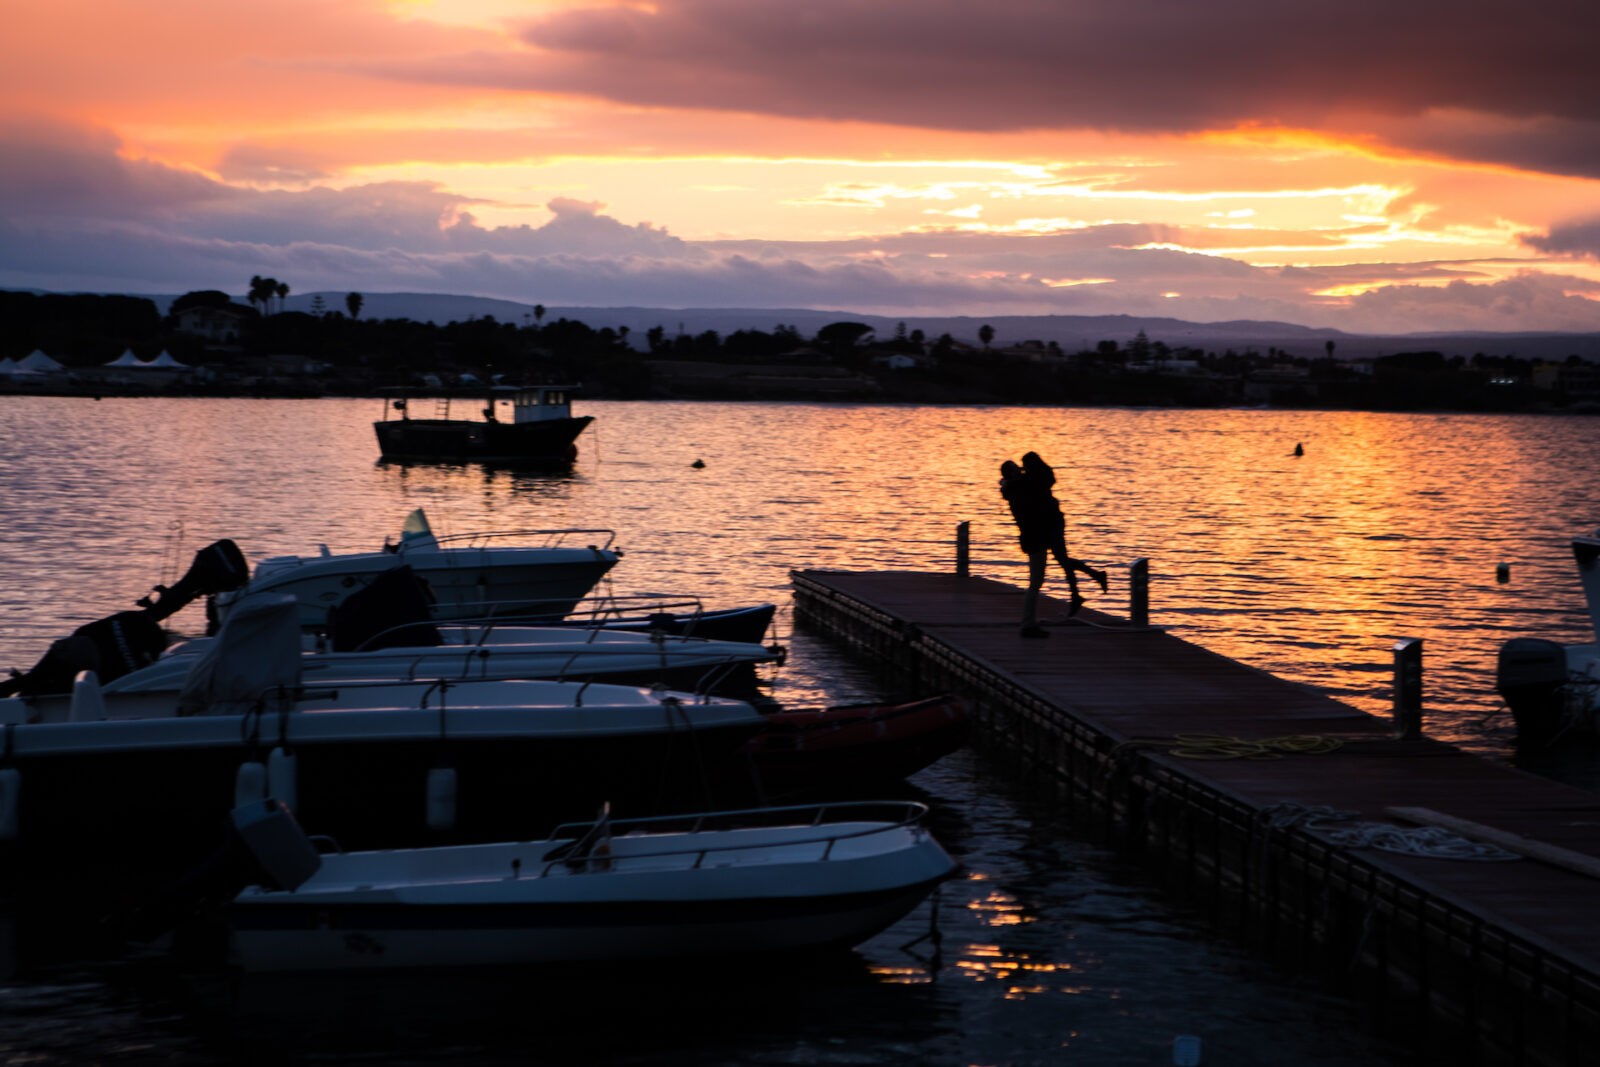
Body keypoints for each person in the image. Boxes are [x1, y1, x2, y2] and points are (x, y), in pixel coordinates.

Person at [1000, 451, 1107, 638]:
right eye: (1014, 467)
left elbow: (1037, 483)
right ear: (1011, 473)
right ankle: (1028, 625)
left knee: (1047, 571)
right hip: (1035, 537)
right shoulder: (1021, 488)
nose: (1019, 468)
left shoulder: (1016, 487)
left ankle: (1085, 586)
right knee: (1036, 582)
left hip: (1035, 536)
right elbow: (1042, 482)